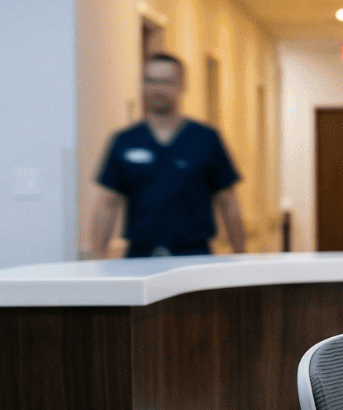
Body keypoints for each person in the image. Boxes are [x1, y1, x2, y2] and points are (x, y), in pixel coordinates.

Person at [88, 52, 247, 258]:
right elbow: (107, 203)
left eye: (166, 82)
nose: (157, 88)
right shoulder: (125, 141)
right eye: (150, 81)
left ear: (181, 86)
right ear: (143, 85)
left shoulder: (205, 139)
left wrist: (240, 257)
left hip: (194, 257)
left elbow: (228, 202)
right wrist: (98, 259)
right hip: (140, 258)